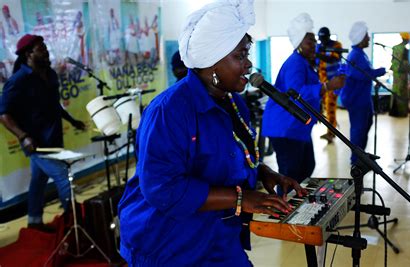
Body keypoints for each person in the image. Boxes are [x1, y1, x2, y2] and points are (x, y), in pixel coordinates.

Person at [118, 1, 306, 265]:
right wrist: (242, 198)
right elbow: (162, 189)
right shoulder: (168, 110)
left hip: (218, 233)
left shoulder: (233, 101)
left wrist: (265, 173)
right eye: (240, 56)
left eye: (246, 54)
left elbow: (230, 155)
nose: (249, 64)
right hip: (168, 242)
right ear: (212, 62)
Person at [0, 34, 86, 232]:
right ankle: (74, 226)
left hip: (54, 138)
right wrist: (23, 136)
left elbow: (53, 105)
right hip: (36, 143)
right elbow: (3, 114)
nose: (47, 51)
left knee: (38, 181)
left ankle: (34, 222)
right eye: (42, 48)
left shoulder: (51, 75)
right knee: (64, 177)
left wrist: (72, 121)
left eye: (46, 47)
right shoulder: (18, 81)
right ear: (29, 54)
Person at [262, 13, 345, 186]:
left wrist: (317, 112)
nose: (314, 45)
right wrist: (328, 86)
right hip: (285, 127)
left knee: (307, 166)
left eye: (314, 41)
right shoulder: (296, 63)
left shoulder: (304, 62)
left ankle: (295, 204)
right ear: (299, 42)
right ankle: (286, 209)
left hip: (297, 125)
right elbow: (296, 92)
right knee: (291, 173)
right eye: (310, 41)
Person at [339, 21, 386, 165]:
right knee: (358, 130)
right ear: (360, 37)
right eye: (366, 35)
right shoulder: (354, 55)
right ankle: (355, 160)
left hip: (364, 99)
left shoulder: (361, 54)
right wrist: (380, 71)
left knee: (366, 125)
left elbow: (364, 74)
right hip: (357, 100)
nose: (369, 38)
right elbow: (361, 74)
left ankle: (362, 156)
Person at [315, 26, 343, 143]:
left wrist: (317, 53)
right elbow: (316, 64)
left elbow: (333, 59)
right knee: (325, 108)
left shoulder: (336, 45)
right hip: (322, 82)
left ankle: (331, 133)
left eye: (324, 39)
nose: (323, 41)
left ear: (328, 36)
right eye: (321, 39)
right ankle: (330, 130)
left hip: (333, 83)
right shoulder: (319, 46)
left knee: (330, 107)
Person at [389, 32, 410, 117]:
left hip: (395, 73)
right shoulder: (405, 50)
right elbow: (406, 63)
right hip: (402, 73)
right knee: (402, 92)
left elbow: (392, 61)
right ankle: (401, 112)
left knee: (395, 91)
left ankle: (393, 111)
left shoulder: (395, 48)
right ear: (407, 39)